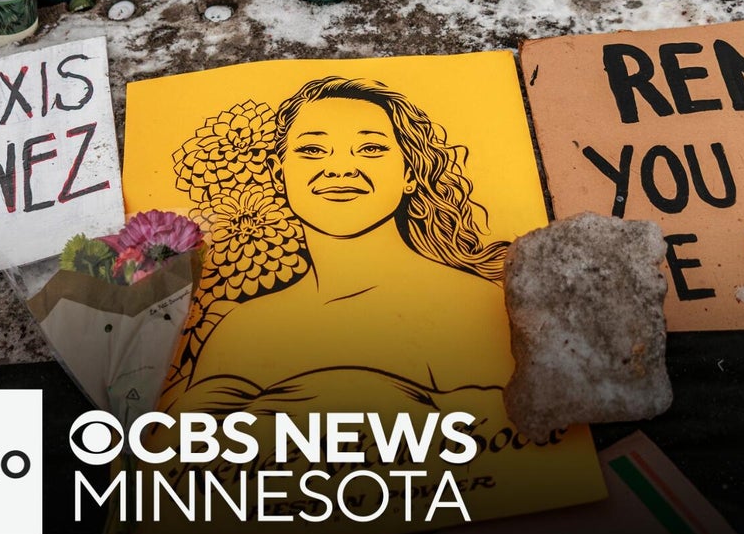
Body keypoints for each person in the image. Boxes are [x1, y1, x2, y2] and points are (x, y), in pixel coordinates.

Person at [191, 77, 513, 391]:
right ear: (279, 174)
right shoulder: (239, 331)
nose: (340, 168)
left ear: (410, 173)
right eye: (313, 149)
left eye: (370, 148)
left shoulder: (467, 307)